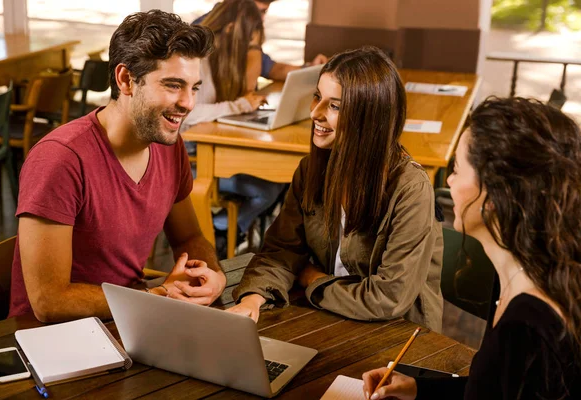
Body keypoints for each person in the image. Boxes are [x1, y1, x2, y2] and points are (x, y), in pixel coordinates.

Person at [9, 10, 227, 323]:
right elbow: (49, 301)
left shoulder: (168, 145)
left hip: (129, 319)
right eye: (173, 85)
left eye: (193, 87)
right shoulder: (60, 159)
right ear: (125, 79)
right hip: (52, 339)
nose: (188, 103)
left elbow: (189, 237)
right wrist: (160, 296)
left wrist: (214, 276)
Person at [362, 97, 581, 399]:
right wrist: (417, 389)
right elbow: (493, 388)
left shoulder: (525, 328)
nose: (449, 180)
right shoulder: (528, 272)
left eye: (456, 169)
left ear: (494, 195)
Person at [228, 46, 444, 333]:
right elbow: (281, 253)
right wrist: (252, 300)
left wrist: (313, 280)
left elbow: (388, 299)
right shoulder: (311, 170)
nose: (315, 113)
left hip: (399, 336)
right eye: (318, 97)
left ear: (369, 118)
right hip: (331, 318)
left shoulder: (410, 189)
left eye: (335, 106)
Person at [181, 0, 286, 255]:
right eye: (248, 44)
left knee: (281, 180)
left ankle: (231, 229)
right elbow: (190, 112)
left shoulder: (214, 60)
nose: (250, 54)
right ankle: (221, 229)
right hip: (189, 158)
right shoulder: (197, 61)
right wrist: (237, 106)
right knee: (271, 186)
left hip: (204, 147)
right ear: (230, 31)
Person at [193, 0, 327, 82]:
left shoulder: (246, 34)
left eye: (264, 12)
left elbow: (271, 69)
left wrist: (310, 68)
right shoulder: (201, 36)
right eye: (259, 12)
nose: (262, 19)